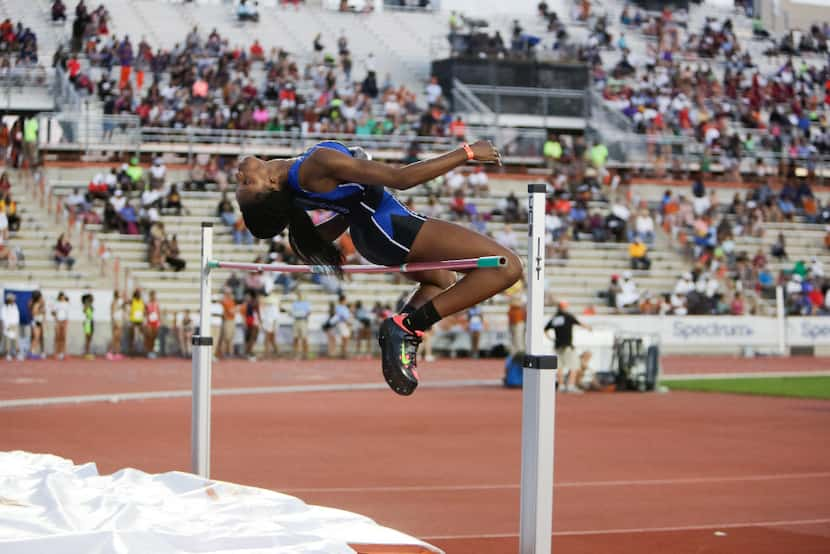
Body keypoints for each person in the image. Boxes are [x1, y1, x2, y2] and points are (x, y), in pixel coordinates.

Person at [235, 139, 518, 395]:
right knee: (507, 268)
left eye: (240, 184)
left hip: (373, 234)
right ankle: (408, 326)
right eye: (245, 186)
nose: (239, 177)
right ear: (270, 186)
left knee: (442, 280)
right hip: (389, 226)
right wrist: (467, 153)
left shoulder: (297, 182)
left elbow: (343, 207)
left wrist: (358, 171)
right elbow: (402, 178)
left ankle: (405, 330)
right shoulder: (313, 166)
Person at [544, 301, 592, 393]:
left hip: (557, 345)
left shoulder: (554, 318)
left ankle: (561, 385)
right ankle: (570, 385)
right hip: (567, 345)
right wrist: (589, 328)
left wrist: (552, 339)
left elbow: (545, 330)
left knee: (559, 367)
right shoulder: (568, 316)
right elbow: (580, 323)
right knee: (574, 365)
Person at [215, 288, 236, 359]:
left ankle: (229, 352)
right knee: (226, 337)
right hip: (227, 320)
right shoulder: (225, 301)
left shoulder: (230, 301)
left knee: (230, 338)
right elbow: (231, 311)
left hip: (230, 320)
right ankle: (224, 353)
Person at [291, 288, 311, 359]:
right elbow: (292, 312)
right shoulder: (294, 303)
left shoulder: (306, 303)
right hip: (296, 321)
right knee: (295, 337)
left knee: (304, 338)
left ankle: (305, 354)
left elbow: (309, 312)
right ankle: (296, 354)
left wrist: (303, 314)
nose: (300, 295)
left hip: (303, 321)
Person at [260, 289, 281, 358]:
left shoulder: (273, 306)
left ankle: (271, 353)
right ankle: (273, 352)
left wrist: (274, 325)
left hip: (272, 323)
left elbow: (275, 316)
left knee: (270, 339)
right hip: (267, 323)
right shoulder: (263, 306)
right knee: (269, 339)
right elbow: (263, 316)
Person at [1, 293, 22, 360]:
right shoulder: (4, 307)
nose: (14, 299)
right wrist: (6, 326)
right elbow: (3, 317)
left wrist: (16, 324)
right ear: (9, 299)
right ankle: (8, 354)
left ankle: (18, 354)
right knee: (8, 341)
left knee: (16, 340)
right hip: (8, 325)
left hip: (15, 325)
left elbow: (17, 316)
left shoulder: (15, 306)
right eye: (12, 298)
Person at [242, 291, 260, 361]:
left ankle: (248, 352)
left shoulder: (249, 303)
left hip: (250, 320)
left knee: (250, 338)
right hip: (253, 321)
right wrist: (260, 322)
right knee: (252, 338)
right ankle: (249, 353)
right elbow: (258, 313)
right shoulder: (254, 303)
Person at [107, 290, 125, 360]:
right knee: (114, 337)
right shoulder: (114, 302)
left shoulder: (120, 302)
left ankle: (117, 352)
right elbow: (112, 312)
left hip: (119, 320)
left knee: (118, 338)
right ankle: (110, 352)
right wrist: (114, 321)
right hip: (116, 320)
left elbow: (122, 308)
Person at [52, 292, 70, 360]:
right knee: (57, 337)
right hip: (58, 321)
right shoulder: (56, 304)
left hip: (64, 321)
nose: (62, 298)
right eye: (61, 296)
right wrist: (55, 315)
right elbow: (53, 312)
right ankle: (57, 352)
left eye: (63, 296)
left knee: (63, 337)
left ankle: (63, 352)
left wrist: (66, 322)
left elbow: (67, 313)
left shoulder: (66, 304)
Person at [127, 289, 145, 355]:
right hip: (133, 321)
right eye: (138, 294)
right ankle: (131, 351)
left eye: (139, 294)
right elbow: (125, 304)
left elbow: (144, 310)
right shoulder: (132, 301)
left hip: (140, 321)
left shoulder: (141, 302)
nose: (139, 295)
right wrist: (127, 313)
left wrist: (144, 315)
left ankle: (143, 350)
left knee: (142, 336)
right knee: (132, 336)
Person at [29, 290, 46, 359]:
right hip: (36, 322)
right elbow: (34, 313)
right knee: (36, 338)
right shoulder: (36, 304)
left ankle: (33, 351)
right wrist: (41, 311)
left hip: (38, 322)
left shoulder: (38, 303)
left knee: (37, 337)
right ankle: (32, 352)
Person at [144, 290, 161, 358]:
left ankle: (153, 351)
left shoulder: (157, 304)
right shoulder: (147, 304)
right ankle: (149, 351)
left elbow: (158, 313)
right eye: (152, 295)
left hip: (155, 322)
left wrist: (159, 322)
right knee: (149, 337)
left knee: (154, 337)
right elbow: (145, 313)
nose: (153, 297)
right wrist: (146, 323)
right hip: (150, 322)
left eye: (154, 295)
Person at [81, 293, 95, 359]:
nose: (93, 299)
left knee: (90, 338)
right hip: (87, 322)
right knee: (87, 338)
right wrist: (87, 304)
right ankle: (86, 352)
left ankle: (88, 352)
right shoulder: (86, 305)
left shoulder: (90, 305)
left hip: (91, 321)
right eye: (91, 298)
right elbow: (84, 311)